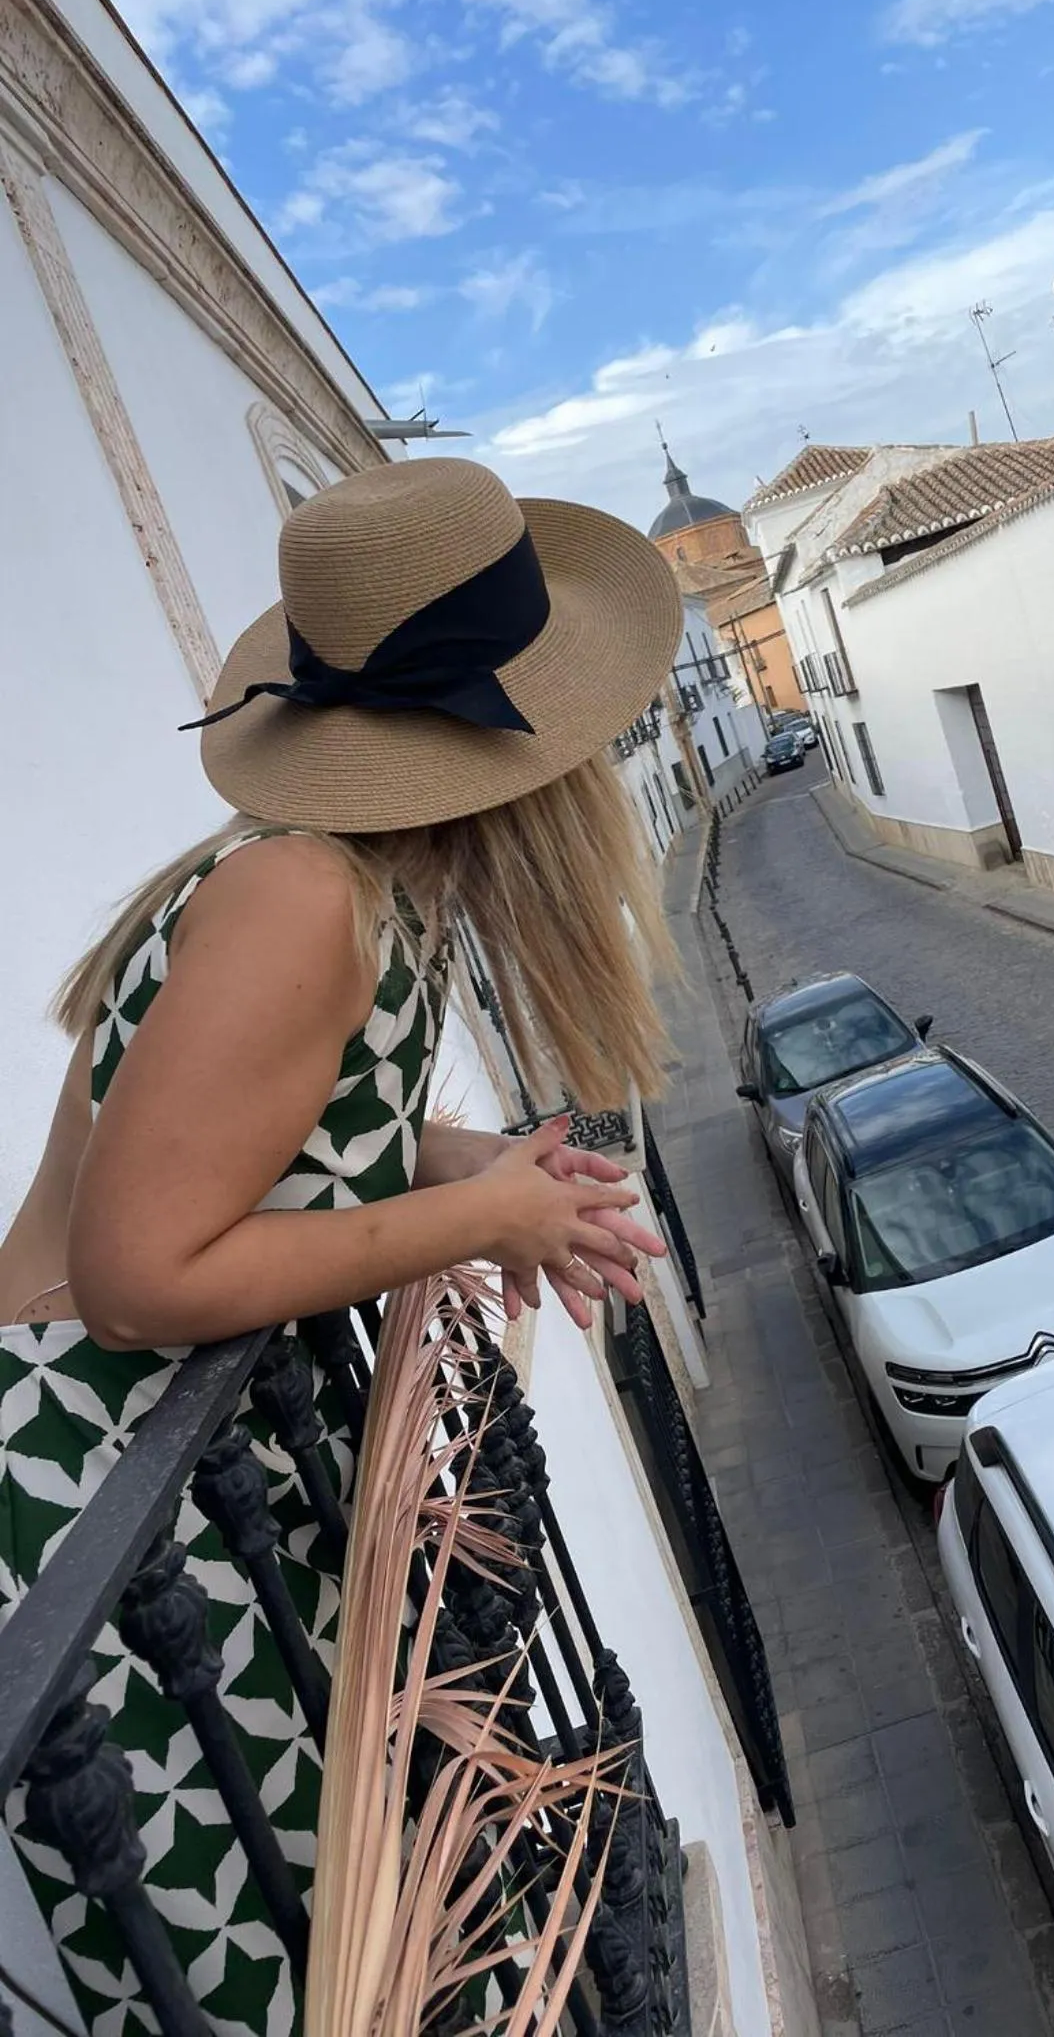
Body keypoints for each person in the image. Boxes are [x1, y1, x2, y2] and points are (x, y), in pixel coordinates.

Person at [0, 457, 684, 2036]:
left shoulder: (366, 886)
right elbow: (138, 1275)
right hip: (97, 1506)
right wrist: (481, 1213)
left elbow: (297, 1149)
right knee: (283, 1969)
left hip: (164, 1486)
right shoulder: (298, 899)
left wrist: (492, 1173)